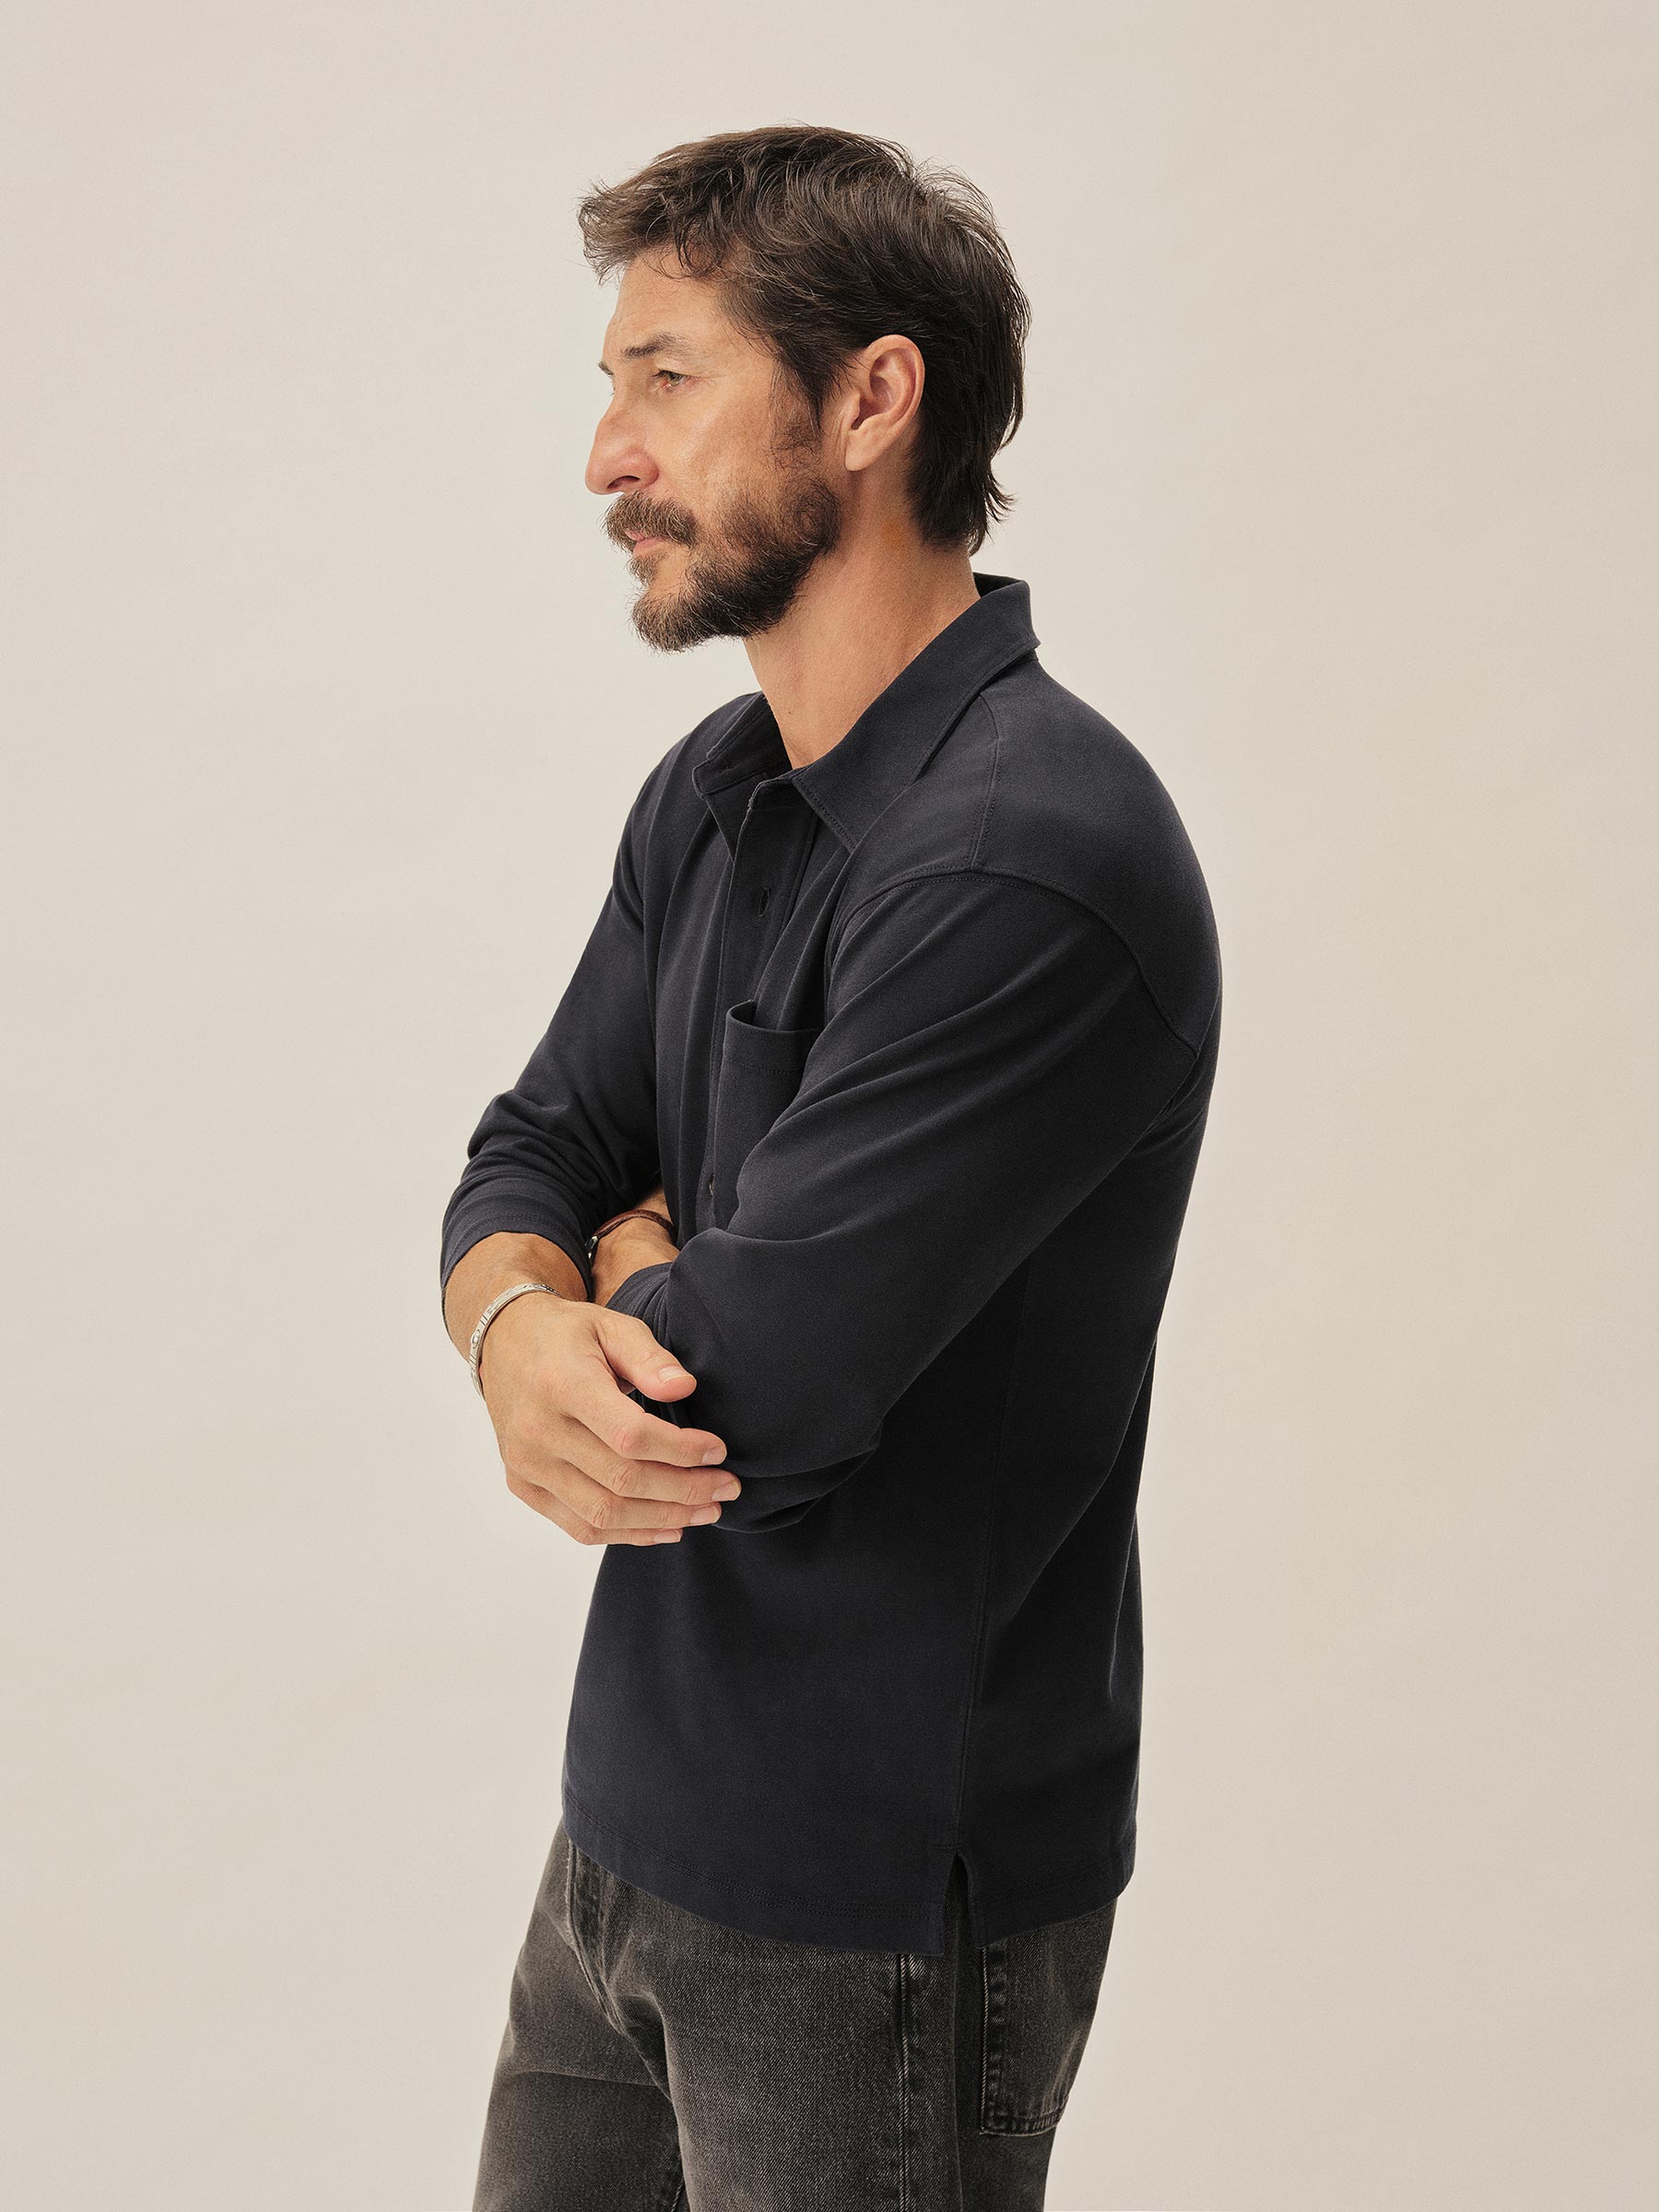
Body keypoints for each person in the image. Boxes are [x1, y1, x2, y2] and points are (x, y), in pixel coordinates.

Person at [440, 122, 1222, 2212]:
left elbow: (750, 1391)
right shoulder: (714, 790)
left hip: (881, 1905)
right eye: (613, 385)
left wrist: (607, 1278)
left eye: (667, 378)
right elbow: (530, 1149)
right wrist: (526, 1313)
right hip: (627, 1835)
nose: (606, 456)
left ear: (872, 401)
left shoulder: (1032, 858)